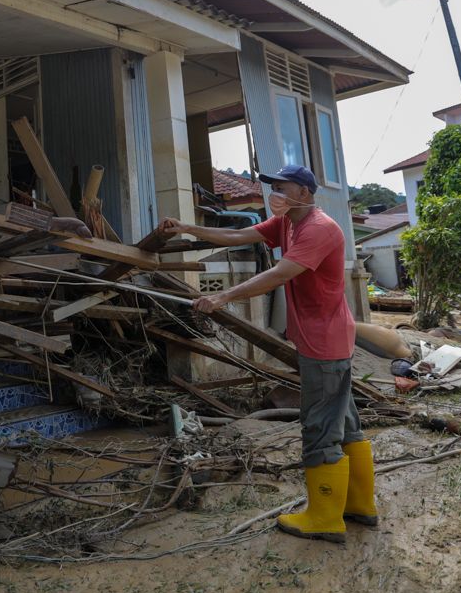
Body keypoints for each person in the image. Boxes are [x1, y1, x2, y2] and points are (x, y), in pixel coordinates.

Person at [159, 164, 377, 544]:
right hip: (325, 338)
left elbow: (279, 274)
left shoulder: (318, 228)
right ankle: (360, 505)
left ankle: (325, 518)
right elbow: (238, 234)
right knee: (345, 424)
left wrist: (223, 296)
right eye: (272, 187)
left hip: (324, 343)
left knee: (319, 428)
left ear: (305, 193)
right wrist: (189, 228)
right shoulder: (287, 223)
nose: (274, 193)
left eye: (282, 187)